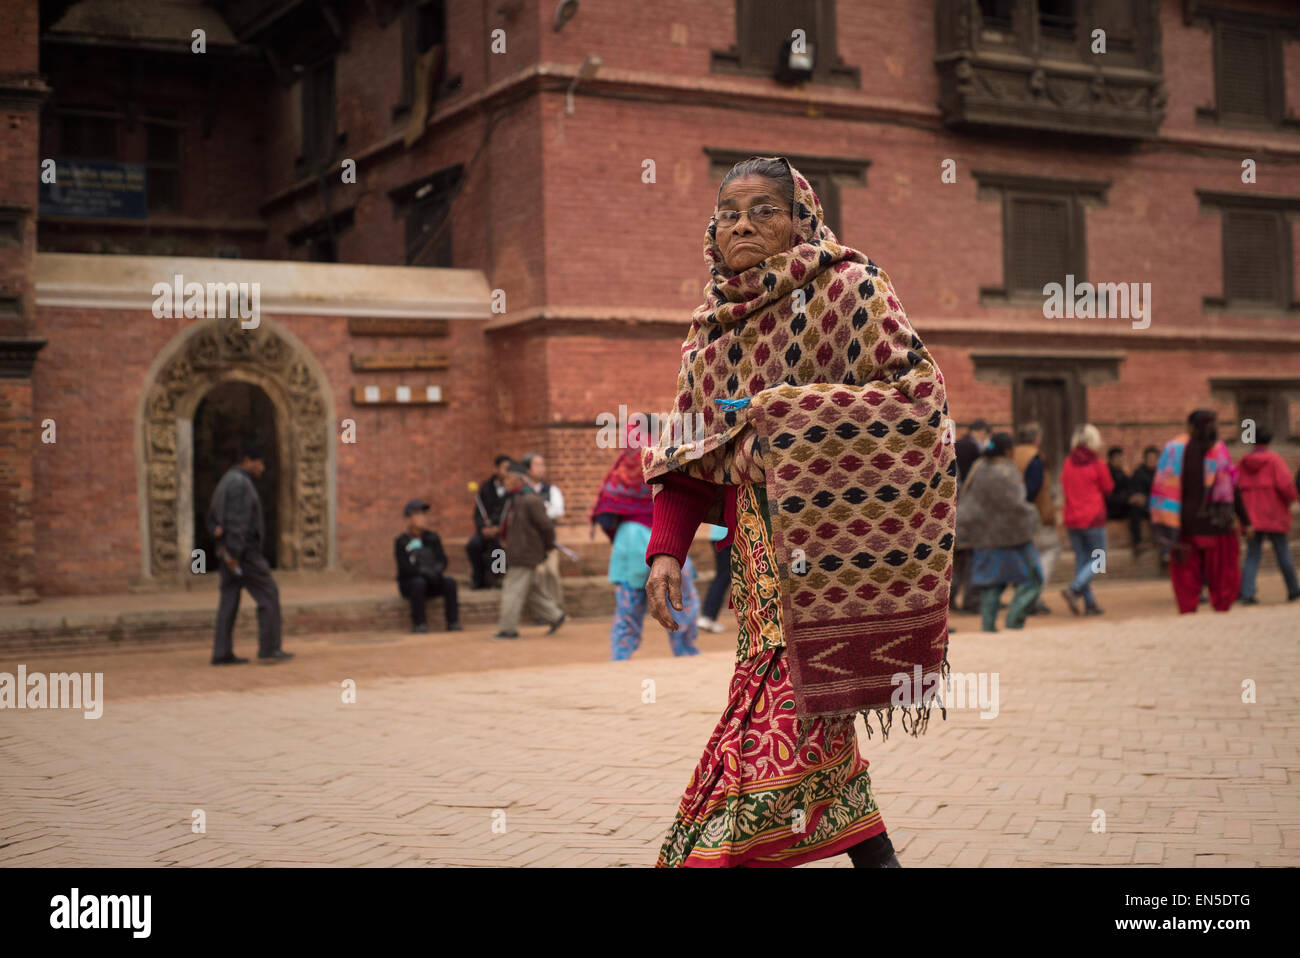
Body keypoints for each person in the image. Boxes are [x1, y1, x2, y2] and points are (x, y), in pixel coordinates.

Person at [641, 156, 955, 868]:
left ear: (802, 220)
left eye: (763, 210)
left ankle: (713, 853)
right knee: (803, 709)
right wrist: (665, 550)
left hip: (838, 550)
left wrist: (786, 413)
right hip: (753, 556)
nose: (742, 224)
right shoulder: (711, 326)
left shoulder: (852, 288)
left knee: (780, 701)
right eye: (729, 212)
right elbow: (692, 454)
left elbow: (921, 404)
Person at [591, 420, 700, 659]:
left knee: (628, 606)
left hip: (628, 541)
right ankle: (686, 652)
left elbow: (605, 514)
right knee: (680, 596)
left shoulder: (620, 469)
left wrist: (621, 534)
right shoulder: (658, 458)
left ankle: (621, 655)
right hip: (664, 537)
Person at [1150, 409, 1250, 613]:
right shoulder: (1221, 452)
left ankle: (1188, 609)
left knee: (1185, 572)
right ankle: (1222, 606)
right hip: (1217, 524)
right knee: (1222, 572)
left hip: (1184, 523)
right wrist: (1245, 521)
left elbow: (1160, 485)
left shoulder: (1174, 451)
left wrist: (1160, 521)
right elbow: (1233, 489)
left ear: (1191, 427)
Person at [206, 440, 292, 664]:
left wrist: (224, 547)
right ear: (247, 461)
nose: (262, 468)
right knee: (268, 593)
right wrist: (234, 554)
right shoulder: (240, 484)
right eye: (259, 463)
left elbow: (214, 519)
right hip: (244, 552)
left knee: (229, 599)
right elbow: (238, 523)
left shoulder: (226, 481)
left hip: (226, 550)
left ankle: (221, 652)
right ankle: (269, 647)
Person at [957, 432, 1042, 631]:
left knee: (991, 585)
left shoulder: (978, 468)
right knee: (1034, 579)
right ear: (1007, 451)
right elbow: (1016, 505)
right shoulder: (1007, 471)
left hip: (984, 538)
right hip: (1014, 538)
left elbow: (970, 501)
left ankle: (988, 628)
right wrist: (1034, 517)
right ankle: (1014, 621)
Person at [493, 461, 566, 639]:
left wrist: (548, 546)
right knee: (532, 589)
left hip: (524, 553)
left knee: (512, 589)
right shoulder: (513, 499)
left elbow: (546, 526)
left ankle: (507, 628)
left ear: (519, 480)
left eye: (510, 478)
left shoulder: (530, 500)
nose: (506, 481)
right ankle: (555, 615)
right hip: (517, 551)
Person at [1236, 428, 1299, 604]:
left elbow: (1235, 487)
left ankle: (1247, 593)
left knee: (1252, 555)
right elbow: (1286, 486)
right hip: (1274, 514)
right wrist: (1292, 498)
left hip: (1250, 517)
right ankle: (1293, 589)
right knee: (1282, 553)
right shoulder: (1274, 461)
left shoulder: (1243, 462)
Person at [1059, 423, 1113, 616]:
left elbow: (1064, 486)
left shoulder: (1067, 463)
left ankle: (1089, 604)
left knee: (1083, 562)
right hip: (1093, 518)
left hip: (1072, 518)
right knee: (1099, 559)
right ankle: (1074, 589)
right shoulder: (1097, 464)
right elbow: (1108, 487)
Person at [394, 499, 462, 633]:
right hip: (412, 583)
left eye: (424, 514)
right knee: (418, 583)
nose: (422, 518)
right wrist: (421, 572)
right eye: (418, 515)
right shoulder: (401, 541)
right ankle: (419, 624)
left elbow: (442, 559)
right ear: (409, 518)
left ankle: (453, 622)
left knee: (450, 583)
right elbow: (403, 567)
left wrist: (436, 571)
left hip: (432, 580)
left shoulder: (432, 538)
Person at [1012, 422, 1058, 614]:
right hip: (1035, 514)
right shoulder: (1035, 458)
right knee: (1049, 551)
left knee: (1025, 557)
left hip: (1015, 515)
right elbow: (1032, 489)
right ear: (1037, 438)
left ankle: (1026, 595)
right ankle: (1033, 595)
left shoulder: (1012, 455)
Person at [949, 419, 991, 615]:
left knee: (959, 561)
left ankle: (952, 598)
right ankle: (971, 601)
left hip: (957, 513)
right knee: (971, 558)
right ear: (981, 432)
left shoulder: (956, 447)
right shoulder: (974, 452)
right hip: (970, 513)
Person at [521, 451, 566, 613]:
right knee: (538, 573)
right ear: (527, 469)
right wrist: (543, 509)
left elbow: (558, 511)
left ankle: (557, 609)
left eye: (543, 465)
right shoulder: (522, 491)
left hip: (548, 539)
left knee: (552, 573)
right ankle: (544, 613)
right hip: (530, 542)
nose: (541, 469)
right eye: (537, 465)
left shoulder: (551, 490)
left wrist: (539, 512)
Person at [467, 454, 512, 589]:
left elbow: (510, 512)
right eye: (505, 468)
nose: (507, 472)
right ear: (497, 469)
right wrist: (483, 528)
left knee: (498, 545)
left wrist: (499, 528)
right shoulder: (486, 488)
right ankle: (478, 578)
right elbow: (478, 513)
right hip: (486, 530)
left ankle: (497, 577)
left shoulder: (511, 490)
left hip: (502, 531)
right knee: (473, 545)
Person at [695, 523, 731, 634]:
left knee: (724, 575)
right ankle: (708, 616)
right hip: (729, 535)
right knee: (724, 575)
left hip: (718, 534)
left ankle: (708, 616)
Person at [1130, 446, 1162, 562]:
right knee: (1134, 509)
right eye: (1149, 458)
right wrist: (1139, 497)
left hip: (1157, 505)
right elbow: (1134, 491)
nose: (1151, 461)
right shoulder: (1139, 473)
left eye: (1154, 458)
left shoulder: (1161, 474)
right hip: (1143, 506)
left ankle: (1160, 542)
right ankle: (1137, 542)